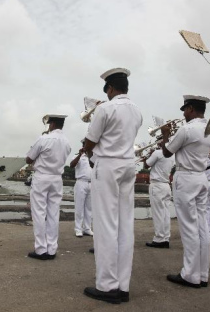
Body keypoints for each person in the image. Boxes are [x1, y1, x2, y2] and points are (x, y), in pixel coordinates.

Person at [82, 68, 142, 304]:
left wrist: (87, 148)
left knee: (106, 225)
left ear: (110, 88)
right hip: (128, 165)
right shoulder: (137, 111)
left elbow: (90, 141)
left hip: (107, 165)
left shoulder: (105, 109)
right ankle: (122, 285)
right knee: (125, 226)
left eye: (106, 90)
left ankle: (107, 286)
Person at [161, 95, 210, 288]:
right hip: (201, 177)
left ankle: (190, 275)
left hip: (186, 178)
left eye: (184, 110)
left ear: (191, 109)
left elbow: (167, 152)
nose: (183, 114)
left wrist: (166, 134)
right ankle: (203, 274)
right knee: (202, 228)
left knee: (189, 228)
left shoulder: (187, 129)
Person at [25, 114, 71, 261]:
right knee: (53, 213)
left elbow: (29, 158)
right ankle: (51, 249)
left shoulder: (44, 139)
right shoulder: (67, 142)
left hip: (42, 177)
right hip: (57, 178)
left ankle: (40, 249)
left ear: (51, 124)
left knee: (39, 213)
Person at [142, 147, 175, 248]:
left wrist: (146, 158)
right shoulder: (172, 154)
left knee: (158, 213)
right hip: (166, 185)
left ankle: (159, 238)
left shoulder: (157, 152)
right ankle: (165, 238)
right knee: (165, 213)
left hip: (157, 185)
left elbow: (146, 166)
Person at [70, 140, 93, 238]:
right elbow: (71, 165)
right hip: (81, 182)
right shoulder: (78, 156)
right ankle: (78, 229)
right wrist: (80, 155)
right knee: (79, 207)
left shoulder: (93, 157)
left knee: (89, 208)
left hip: (91, 183)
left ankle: (87, 228)